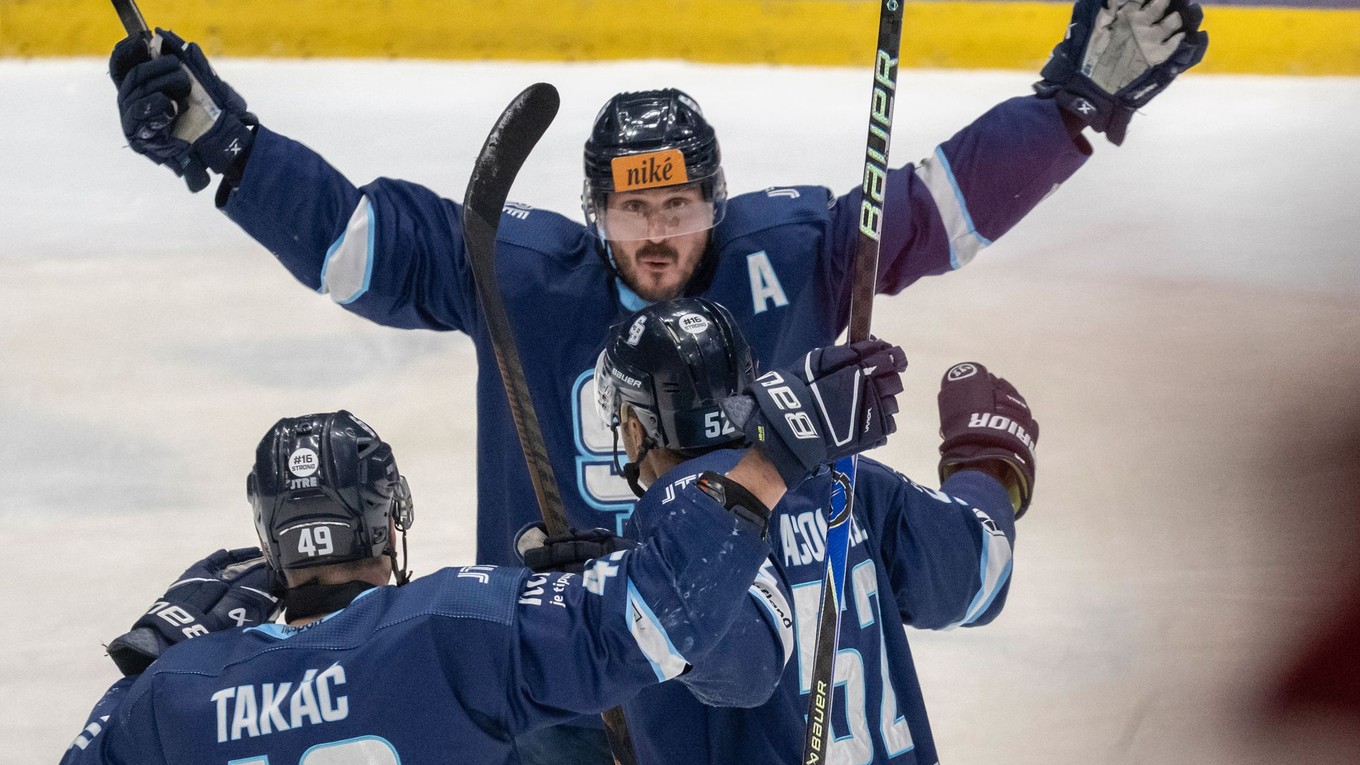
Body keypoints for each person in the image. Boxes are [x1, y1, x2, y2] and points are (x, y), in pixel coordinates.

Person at [105, 0, 1204, 574]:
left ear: (714, 202)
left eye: (677, 205)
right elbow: (357, 246)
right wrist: (228, 148)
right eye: (633, 210)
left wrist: (1072, 109)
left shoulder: (791, 254)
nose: (658, 231)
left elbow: (940, 208)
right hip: (559, 649)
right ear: (596, 215)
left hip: (744, 622)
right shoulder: (525, 278)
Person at [61, 335, 906, 763]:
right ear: (392, 527)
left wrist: (144, 667)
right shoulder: (446, 624)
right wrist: (773, 458)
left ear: (272, 551)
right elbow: (658, 617)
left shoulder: (172, 698)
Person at [516, 296, 1038, 764]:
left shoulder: (675, 513)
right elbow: (980, 574)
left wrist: (630, 605)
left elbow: (743, 669)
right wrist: (987, 463)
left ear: (633, 427)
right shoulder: (848, 481)